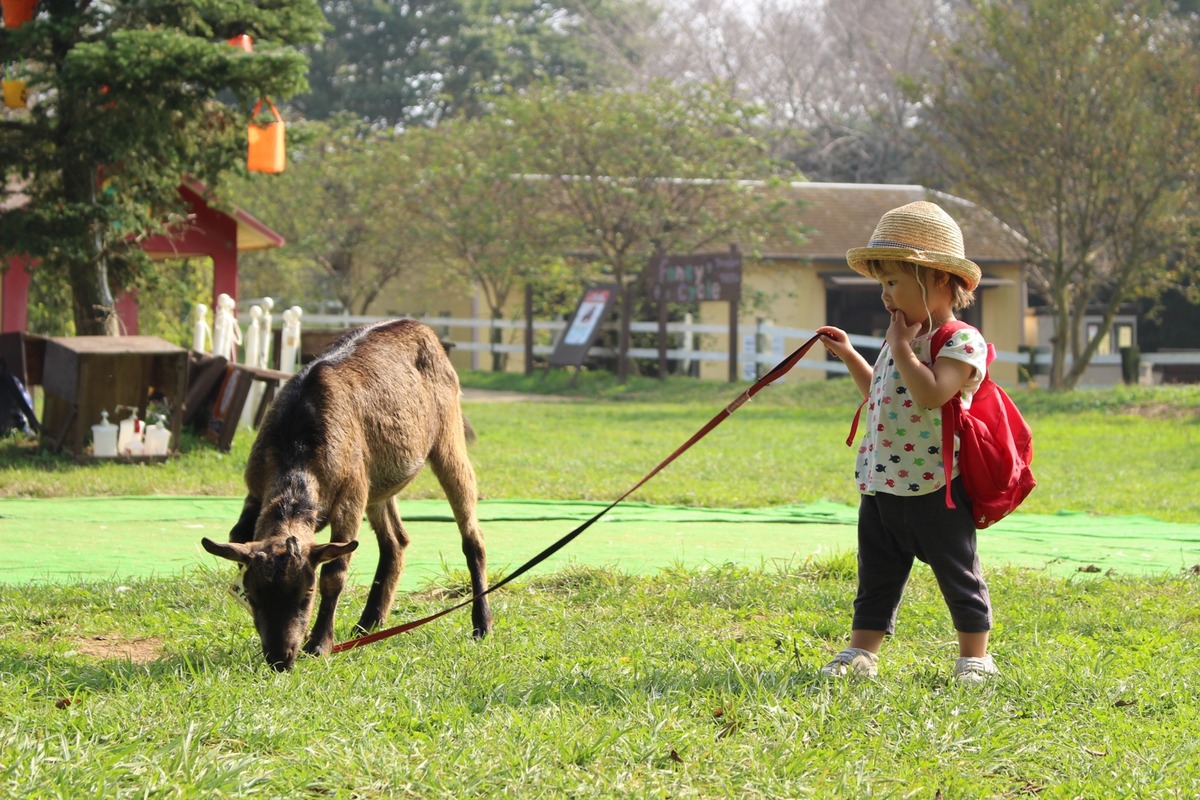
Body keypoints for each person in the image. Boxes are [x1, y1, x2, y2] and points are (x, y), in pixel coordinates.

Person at [816, 200, 997, 685]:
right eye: (882, 284)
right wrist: (851, 354)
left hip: (937, 487)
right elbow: (882, 389)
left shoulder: (960, 341)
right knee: (876, 573)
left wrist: (900, 346)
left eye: (893, 282)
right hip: (881, 481)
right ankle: (861, 650)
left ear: (937, 278)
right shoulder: (902, 336)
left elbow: (932, 394)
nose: (885, 295)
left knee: (958, 573)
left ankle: (974, 657)